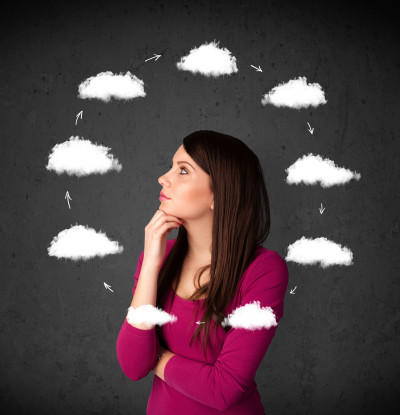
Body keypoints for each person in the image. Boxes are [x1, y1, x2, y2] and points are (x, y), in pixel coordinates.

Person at [116, 130, 289, 414]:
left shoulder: (263, 271)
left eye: (183, 170)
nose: (164, 178)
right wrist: (150, 264)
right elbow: (134, 366)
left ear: (218, 195)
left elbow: (223, 388)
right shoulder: (159, 258)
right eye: (171, 166)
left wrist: (155, 357)